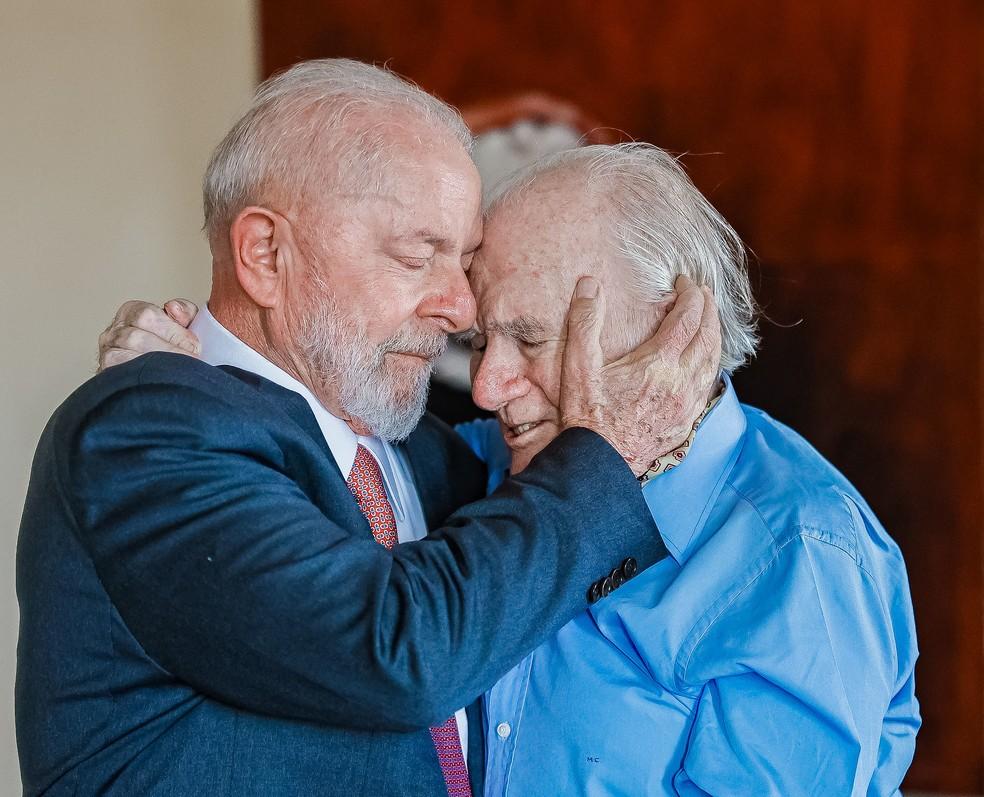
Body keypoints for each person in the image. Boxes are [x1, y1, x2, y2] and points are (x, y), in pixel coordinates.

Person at [111, 143, 920, 796]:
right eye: (480, 342)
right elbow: (319, 457)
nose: (490, 386)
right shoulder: (484, 463)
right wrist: (198, 373)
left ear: (671, 323)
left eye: (531, 341)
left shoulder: (802, 559)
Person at [16, 61, 719, 797]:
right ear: (265, 254)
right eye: (419, 255)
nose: (460, 308)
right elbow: (397, 651)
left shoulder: (418, 451)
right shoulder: (141, 430)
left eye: (465, 262)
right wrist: (607, 452)